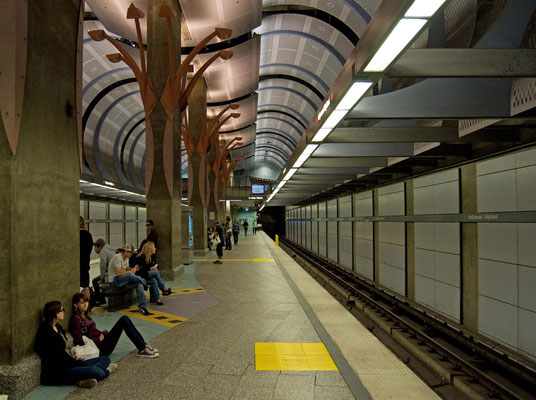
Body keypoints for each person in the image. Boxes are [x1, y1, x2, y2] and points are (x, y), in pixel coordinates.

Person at [35, 300, 115, 388]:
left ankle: (81, 378)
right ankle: (106, 371)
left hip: (70, 362)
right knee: (93, 370)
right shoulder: (47, 332)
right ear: (56, 313)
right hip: (59, 371)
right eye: (62, 310)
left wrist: (75, 359)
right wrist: (78, 363)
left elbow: (65, 352)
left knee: (105, 359)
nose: (64, 312)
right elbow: (61, 358)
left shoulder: (58, 327)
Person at [70, 293, 158, 358]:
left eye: (86, 302)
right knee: (123, 320)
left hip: (102, 343)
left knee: (125, 319)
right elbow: (78, 340)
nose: (85, 304)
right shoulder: (76, 319)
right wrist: (98, 339)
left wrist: (103, 333)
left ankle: (142, 345)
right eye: (82, 303)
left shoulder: (85, 315)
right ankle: (142, 349)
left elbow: (93, 331)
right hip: (100, 349)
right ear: (75, 305)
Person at [108, 243, 152, 315]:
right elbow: (118, 272)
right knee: (130, 274)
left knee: (139, 284)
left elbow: (126, 269)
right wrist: (131, 271)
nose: (131, 254)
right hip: (115, 280)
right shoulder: (117, 257)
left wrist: (133, 268)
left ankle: (142, 307)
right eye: (131, 253)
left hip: (123, 280)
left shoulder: (127, 259)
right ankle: (145, 282)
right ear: (126, 251)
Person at [92, 239, 116, 305]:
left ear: (100, 247)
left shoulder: (103, 251)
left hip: (112, 275)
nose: (94, 249)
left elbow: (102, 265)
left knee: (94, 281)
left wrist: (102, 279)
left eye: (95, 247)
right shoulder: (110, 250)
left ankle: (101, 300)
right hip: (114, 273)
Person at [79, 216, 93, 302]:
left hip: (78, 264)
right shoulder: (88, 235)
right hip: (85, 263)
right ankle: (86, 308)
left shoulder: (78, 235)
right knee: (86, 287)